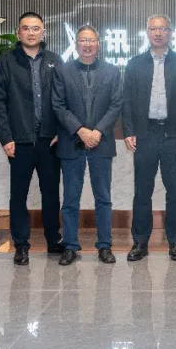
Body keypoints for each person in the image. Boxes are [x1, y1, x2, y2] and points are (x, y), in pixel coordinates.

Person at [122, 15, 176, 262]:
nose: (158, 33)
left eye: (162, 29)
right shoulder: (135, 64)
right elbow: (127, 101)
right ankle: (140, 242)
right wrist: (129, 131)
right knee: (142, 191)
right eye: (153, 29)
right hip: (145, 134)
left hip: (173, 135)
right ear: (147, 32)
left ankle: (175, 242)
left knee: (175, 191)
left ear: (170, 32)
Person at [0, 11, 63, 266]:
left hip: (50, 140)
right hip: (19, 141)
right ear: (18, 32)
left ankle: (53, 240)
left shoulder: (55, 61)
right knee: (18, 196)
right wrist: (6, 137)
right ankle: (21, 245)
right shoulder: (6, 61)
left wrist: (61, 131)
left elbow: (64, 99)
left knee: (51, 194)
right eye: (26, 28)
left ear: (43, 32)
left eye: (35, 28)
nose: (31, 33)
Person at [53, 25, 123, 265]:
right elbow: (58, 105)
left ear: (98, 44)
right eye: (83, 40)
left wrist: (97, 131)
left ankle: (104, 245)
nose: (87, 44)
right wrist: (81, 130)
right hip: (71, 141)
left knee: (103, 197)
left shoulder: (112, 71)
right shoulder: (63, 71)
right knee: (70, 199)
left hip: (101, 143)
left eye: (91, 40)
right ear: (76, 44)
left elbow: (116, 105)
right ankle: (70, 246)